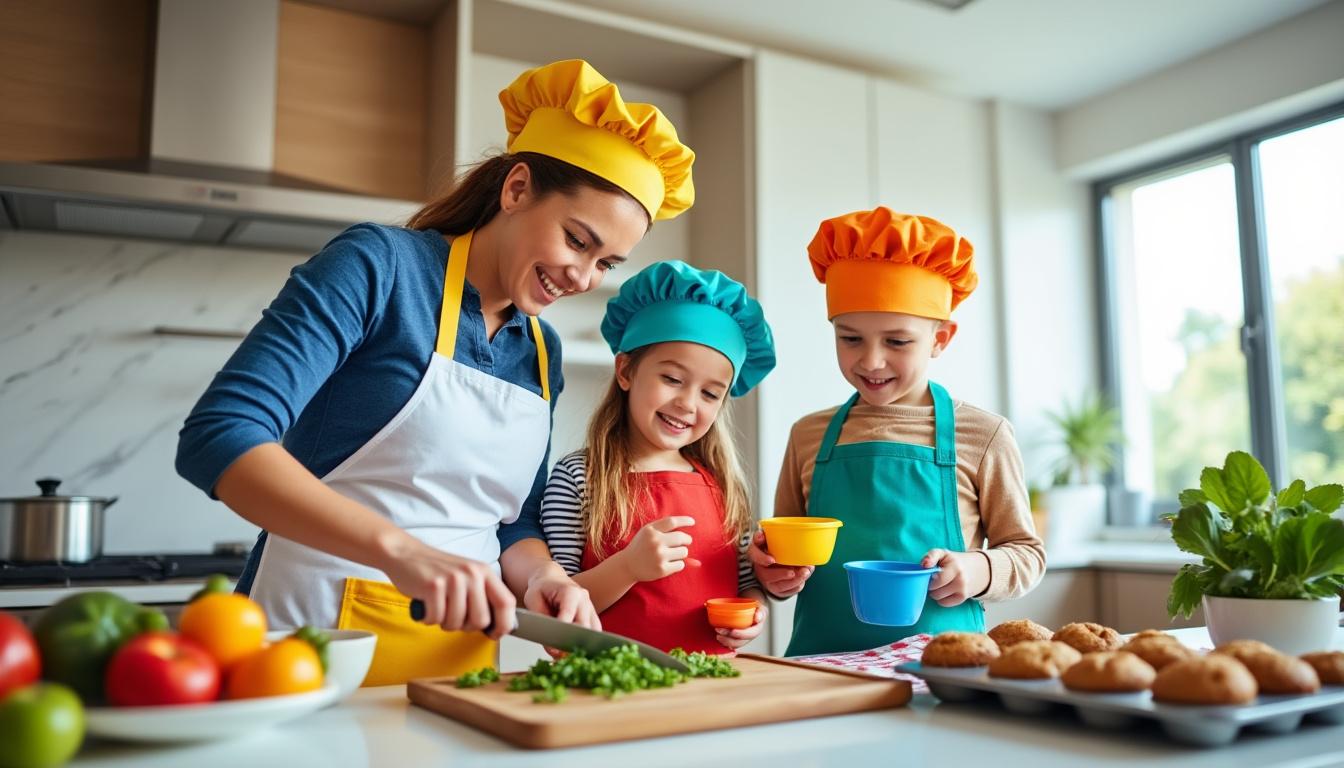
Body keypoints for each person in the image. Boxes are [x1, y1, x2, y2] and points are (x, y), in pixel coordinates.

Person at [175, 59, 695, 685]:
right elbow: (220, 434)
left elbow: (516, 519)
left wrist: (544, 577)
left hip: (458, 668)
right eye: (577, 241)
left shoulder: (542, 350)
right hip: (312, 646)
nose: (583, 279)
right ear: (517, 189)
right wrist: (404, 554)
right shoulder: (379, 268)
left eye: (606, 263)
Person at [751, 207, 1046, 656]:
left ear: (940, 340)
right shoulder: (808, 435)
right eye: (850, 338)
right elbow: (782, 557)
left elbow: (1026, 552)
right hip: (822, 667)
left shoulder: (983, 435)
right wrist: (773, 573)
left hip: (944, 668)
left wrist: (978, 570)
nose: (870, 361)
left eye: (897, 341)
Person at [540, 261, 775, 653]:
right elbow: (556, 605)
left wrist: (754, 614)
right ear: (626, 371)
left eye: (710, 393)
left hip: (710, 687)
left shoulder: (721, 483)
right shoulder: (578, 476)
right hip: (609, 687)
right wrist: (628, 568)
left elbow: (746, 584)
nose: (687, 403)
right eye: (672, 379)